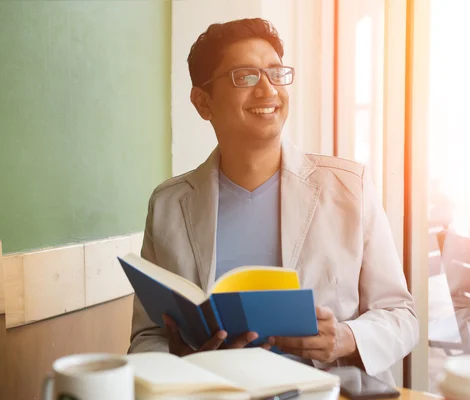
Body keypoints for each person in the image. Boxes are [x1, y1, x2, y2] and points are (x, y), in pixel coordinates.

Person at [128, 17, 418, 384]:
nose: (268, 91)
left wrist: (344, 338)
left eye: (276, 73)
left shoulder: (349, 188)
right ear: (203, 102)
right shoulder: (169, 205)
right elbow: (146, 336)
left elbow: (401, 316)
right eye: (245, 76)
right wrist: (182, 364)